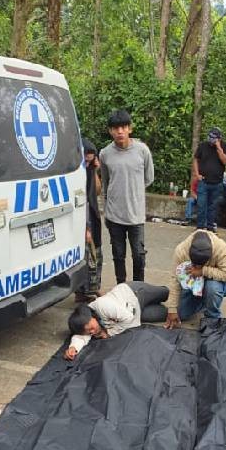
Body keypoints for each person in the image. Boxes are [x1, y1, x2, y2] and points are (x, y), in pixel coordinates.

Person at [100, 109, 154, 283]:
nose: (120, 132)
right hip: (114, 215)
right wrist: (106, 210)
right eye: (115, 128)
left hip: (135, 216)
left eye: (123, 127)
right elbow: (106, 183)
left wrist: (132, 191)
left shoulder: (142, 151)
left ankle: (138, 289)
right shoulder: (105, 154)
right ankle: (121, 287)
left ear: (130, 128)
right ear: (110, 131)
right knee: (118, 255)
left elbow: (148, 178)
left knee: (138, 255)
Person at [64, 282, 169, 359]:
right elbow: (81, 336)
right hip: (136, 312)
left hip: (134, 292)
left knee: (166, 293)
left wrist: (109, 333)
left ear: (92, 316)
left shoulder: (102, 306)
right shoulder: (88, 324)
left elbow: (128, 318)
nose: (92, 332)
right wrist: (73, 348)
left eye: (91, 328)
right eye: (89, 332)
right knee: (168, 314)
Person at [164, 230, 226, 328]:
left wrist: (203, 271)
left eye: (200, 265)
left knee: (212, 287)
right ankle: (203, 301)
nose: (197, 267)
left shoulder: (221, 249)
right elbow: (175, 280)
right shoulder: (181, 251)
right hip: (194, 284)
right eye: (195, 264)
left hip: (217, 283)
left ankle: (212, 317)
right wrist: (172, 309)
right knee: (181, 314)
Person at [76, 137, 103, 302]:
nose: (87, 164)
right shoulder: (76, 174)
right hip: (83, 218)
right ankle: (83, 291)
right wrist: (86, 228)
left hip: (92, 216)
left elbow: (97, 191)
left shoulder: (90, 170)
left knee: (96, 253)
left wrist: (95, 170)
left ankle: (92, 288)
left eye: (90, 160)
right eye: (85, 161)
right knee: (86, 256)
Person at [192, 127, 226, 230]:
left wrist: (219, 148)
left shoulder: (225, 146)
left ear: (219, 138)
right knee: (201, 205)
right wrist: (197, 174)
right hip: (203, 181)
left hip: (217, 182)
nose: (211, 139)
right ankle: (200, 227)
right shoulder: (203, 145)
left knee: (213, 206)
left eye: (214, 137)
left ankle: (210, 227)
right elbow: (196, 159)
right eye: (210, 136)